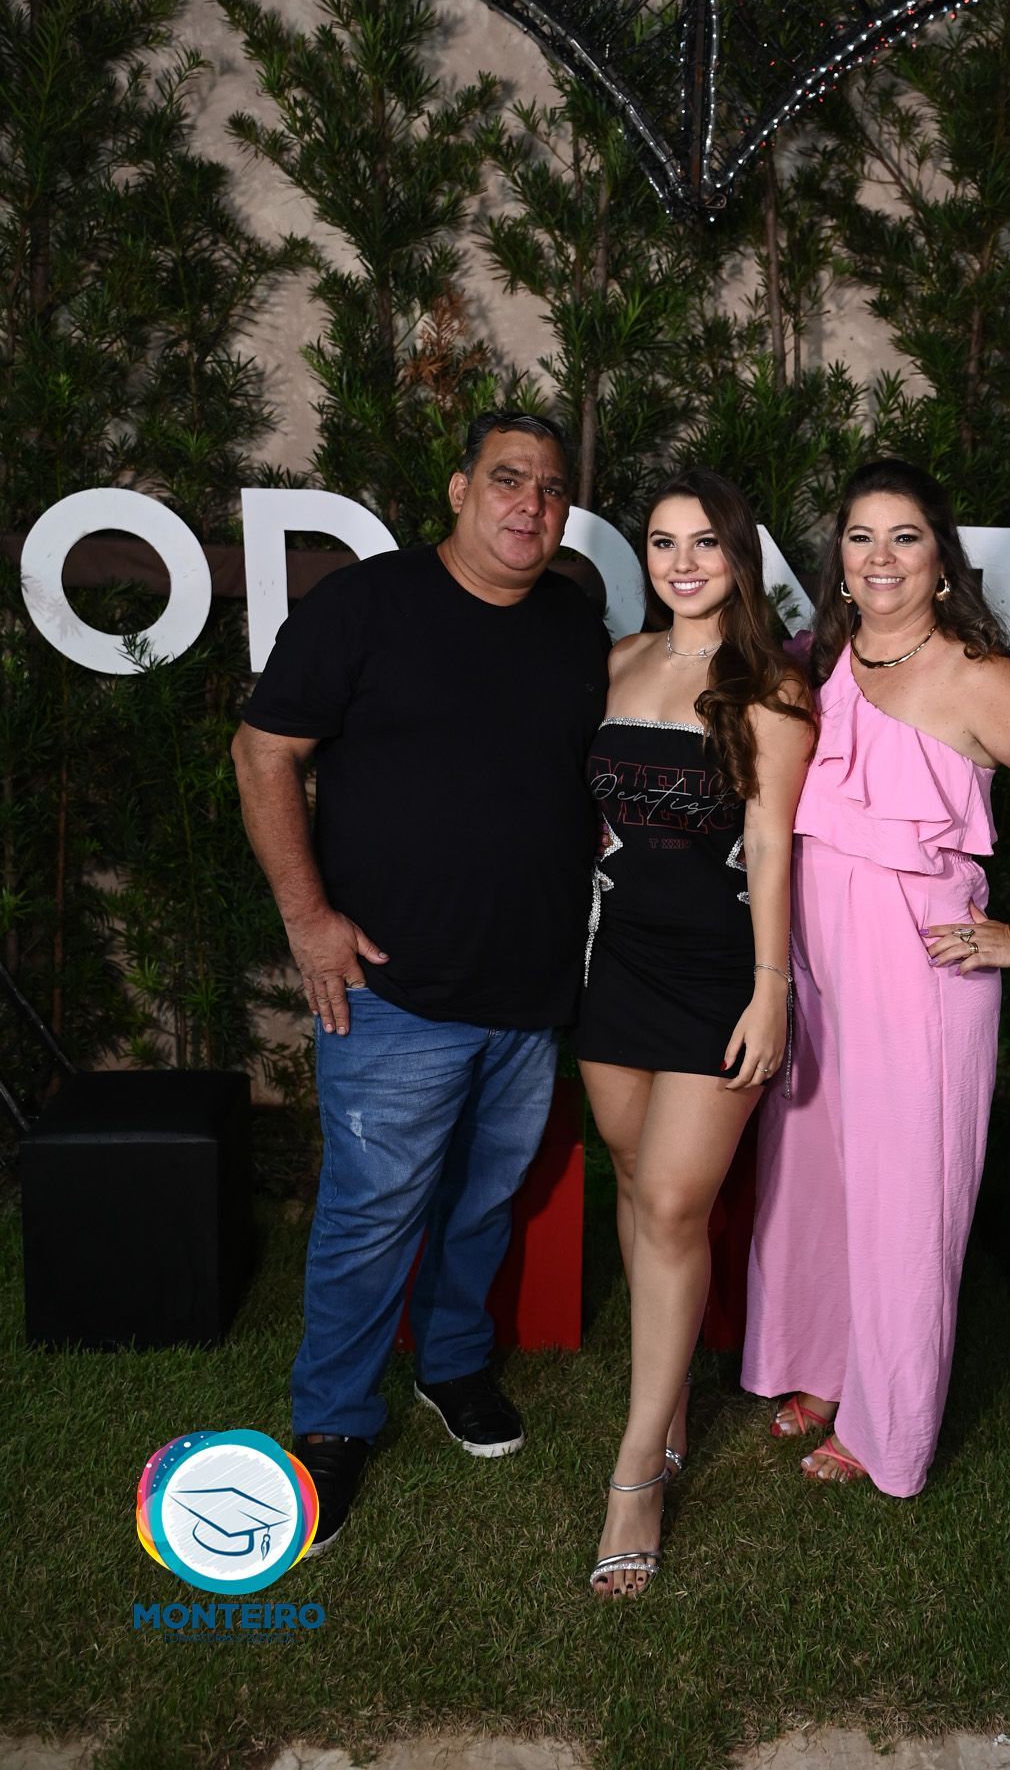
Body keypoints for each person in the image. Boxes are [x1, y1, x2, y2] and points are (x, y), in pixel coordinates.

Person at [231, 410, 609, 1550]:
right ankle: (333, 1420)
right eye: (507, 478)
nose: (530, 504)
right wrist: (308, 921)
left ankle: (451, 1364)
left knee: (483, 1201)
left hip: (527, 988)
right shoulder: (365, 604)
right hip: (392, 987)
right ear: (458, 488)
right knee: (370, 1216)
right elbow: (263, 751)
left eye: (551, 488)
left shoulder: (573, 622)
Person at [742, 458, 1010, 1494]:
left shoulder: (977, 675)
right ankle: (825, 1367)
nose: (880, 558)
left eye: (903, 536)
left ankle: (887, 1426)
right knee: (817, 1175)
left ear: (940, 559)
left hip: (917, 975)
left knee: (906, 1198)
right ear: (838, 557)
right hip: (818, 960)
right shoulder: (823, 658)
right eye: (860, 536)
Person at [574, 467, 814, 1596]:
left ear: (739, 557)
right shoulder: (616, 662)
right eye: (663, 542)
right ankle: (665, 1402)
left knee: (674, 1201)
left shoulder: (771, 686)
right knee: (633, 1180)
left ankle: (636, 1474)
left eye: (704, 542)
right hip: (612, 965)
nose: (681, 562)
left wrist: (771, 989)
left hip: (718, 974)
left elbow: (770, 846)